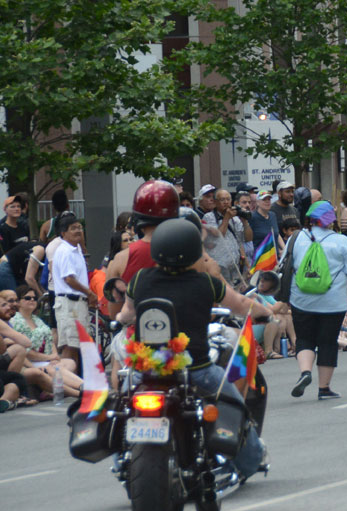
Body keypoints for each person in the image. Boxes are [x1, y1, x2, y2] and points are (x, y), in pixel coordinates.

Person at [116, 219, 267, 478]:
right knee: (235, 409)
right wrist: (267, 313)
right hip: (196, 369)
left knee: (121, 406)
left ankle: (123, 454)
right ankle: (247, 462)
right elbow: (241, 304)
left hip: (148, 370)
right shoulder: (205, 282)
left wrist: (117, 321)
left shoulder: (140, 278)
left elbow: (127, 313)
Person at [287, 201, 347, 400]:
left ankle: (305, 372)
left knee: (304, 338)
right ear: (330, 220)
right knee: (327, 342)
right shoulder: (341, 241)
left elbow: (285, 266)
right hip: (332, 302)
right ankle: (324, 388)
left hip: (301, 299)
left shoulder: (296, 238)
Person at [105, 180, 181, 317]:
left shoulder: (120, 259)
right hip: (182, 334)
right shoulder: (191, 253)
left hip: (135, 334)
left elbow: (114, 312)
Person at [50, 214, 91, 371]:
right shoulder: (65, 251)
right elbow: (69, 279)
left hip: (77, 303)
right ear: (63, 232)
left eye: (80, 227)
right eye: (73, 228)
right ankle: (63, 384)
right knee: (70, 347)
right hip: (69, 303)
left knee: (77, 346)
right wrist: (90, 293)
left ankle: (75, 385)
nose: (78, 231)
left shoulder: (76, 249)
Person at [202, 189, 250, 289]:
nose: (226, 202)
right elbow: (217, 238)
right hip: (219, 267)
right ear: (215, 202)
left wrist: (245, 222)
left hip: (236, 268)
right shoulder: (208, 217)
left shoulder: (235, 219)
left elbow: (245, 239)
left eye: (228, 199)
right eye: (222, 200)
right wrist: (226, 218)